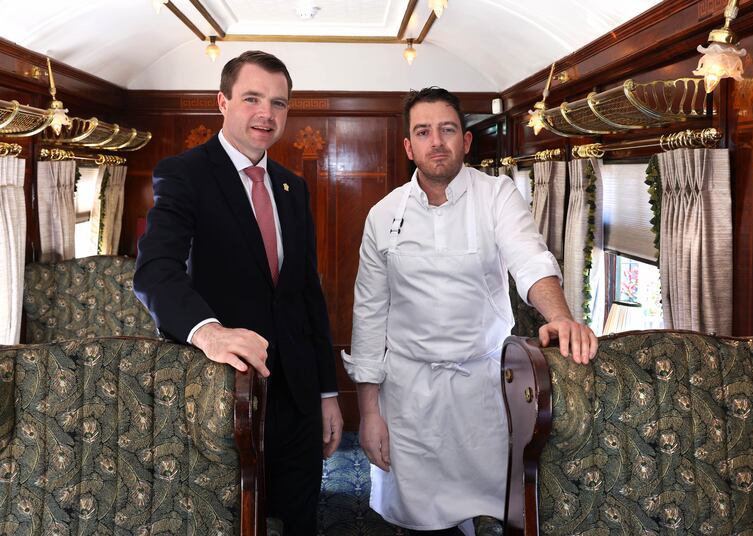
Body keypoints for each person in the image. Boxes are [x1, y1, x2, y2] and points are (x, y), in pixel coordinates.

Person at [343, 87, 598, 534]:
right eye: (423, 132)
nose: (436, 141)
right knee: (415, 522)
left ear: (465, 140)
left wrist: (558, 316)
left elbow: (530, 260)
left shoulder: (498, 195)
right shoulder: (383, 215)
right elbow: (368, 317)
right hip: (408, 397)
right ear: (409, 146)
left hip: (482, 392)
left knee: (489, 517)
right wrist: (368, 414)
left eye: (447, 130)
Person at [133, 50, 342, 535]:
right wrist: (209, 333)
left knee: (301, 517)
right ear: (222, 102)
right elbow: (156, 272)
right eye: (252, 98)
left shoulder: (293, 187)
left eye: (279, 103)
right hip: (224, 389)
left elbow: (308, 292)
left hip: (298, 393)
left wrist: (328, 393)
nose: (266, 114)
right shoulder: (184, 173)